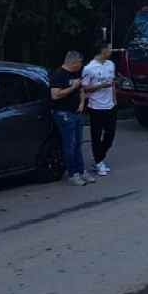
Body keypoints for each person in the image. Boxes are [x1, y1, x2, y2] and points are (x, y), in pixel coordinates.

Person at [50, 51, 94, 186]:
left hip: (77, 113)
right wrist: (72, 87)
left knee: (78, 144)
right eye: (80, 63)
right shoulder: (58, 75)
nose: (81, 65)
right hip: (64, 114)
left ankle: (81, 171)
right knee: (70, 144)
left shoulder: (76, 73)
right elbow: (55, 95)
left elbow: (81, 90)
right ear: (74, 62)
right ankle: (72, 173)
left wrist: (81, 103)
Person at [81, 42, 118, 176]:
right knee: (96, 136)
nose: (111, 51)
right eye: (109, 48)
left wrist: (114, 99)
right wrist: (100, 86)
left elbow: (112, 83)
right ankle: (98, 162)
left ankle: (99, 157)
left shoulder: (110, 64)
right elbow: (85, 88)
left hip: (110, 106)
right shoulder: (89, 68)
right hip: (96, 106)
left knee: (110, 135)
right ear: (103, 50)